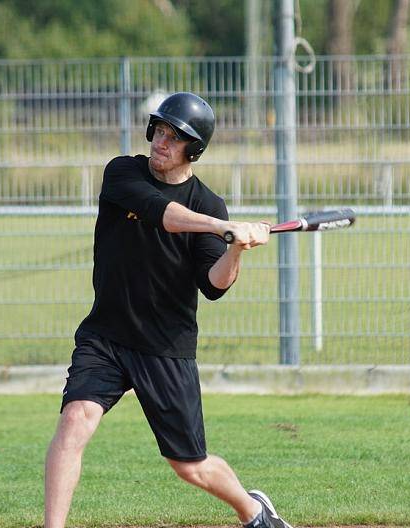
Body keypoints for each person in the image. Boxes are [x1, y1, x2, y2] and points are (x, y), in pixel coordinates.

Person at [43, 92, 292, 528]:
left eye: (174, 137)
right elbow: (162, 213)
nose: (161, 141)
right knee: (75, 420)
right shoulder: (123, 173)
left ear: (193, 149)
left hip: (164, 346)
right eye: (159, 131)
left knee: (190, 465)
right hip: (106, 335)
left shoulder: (209, 203)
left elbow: (214, 286)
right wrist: (224, 227)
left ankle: (253, 510)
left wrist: (236, 248)